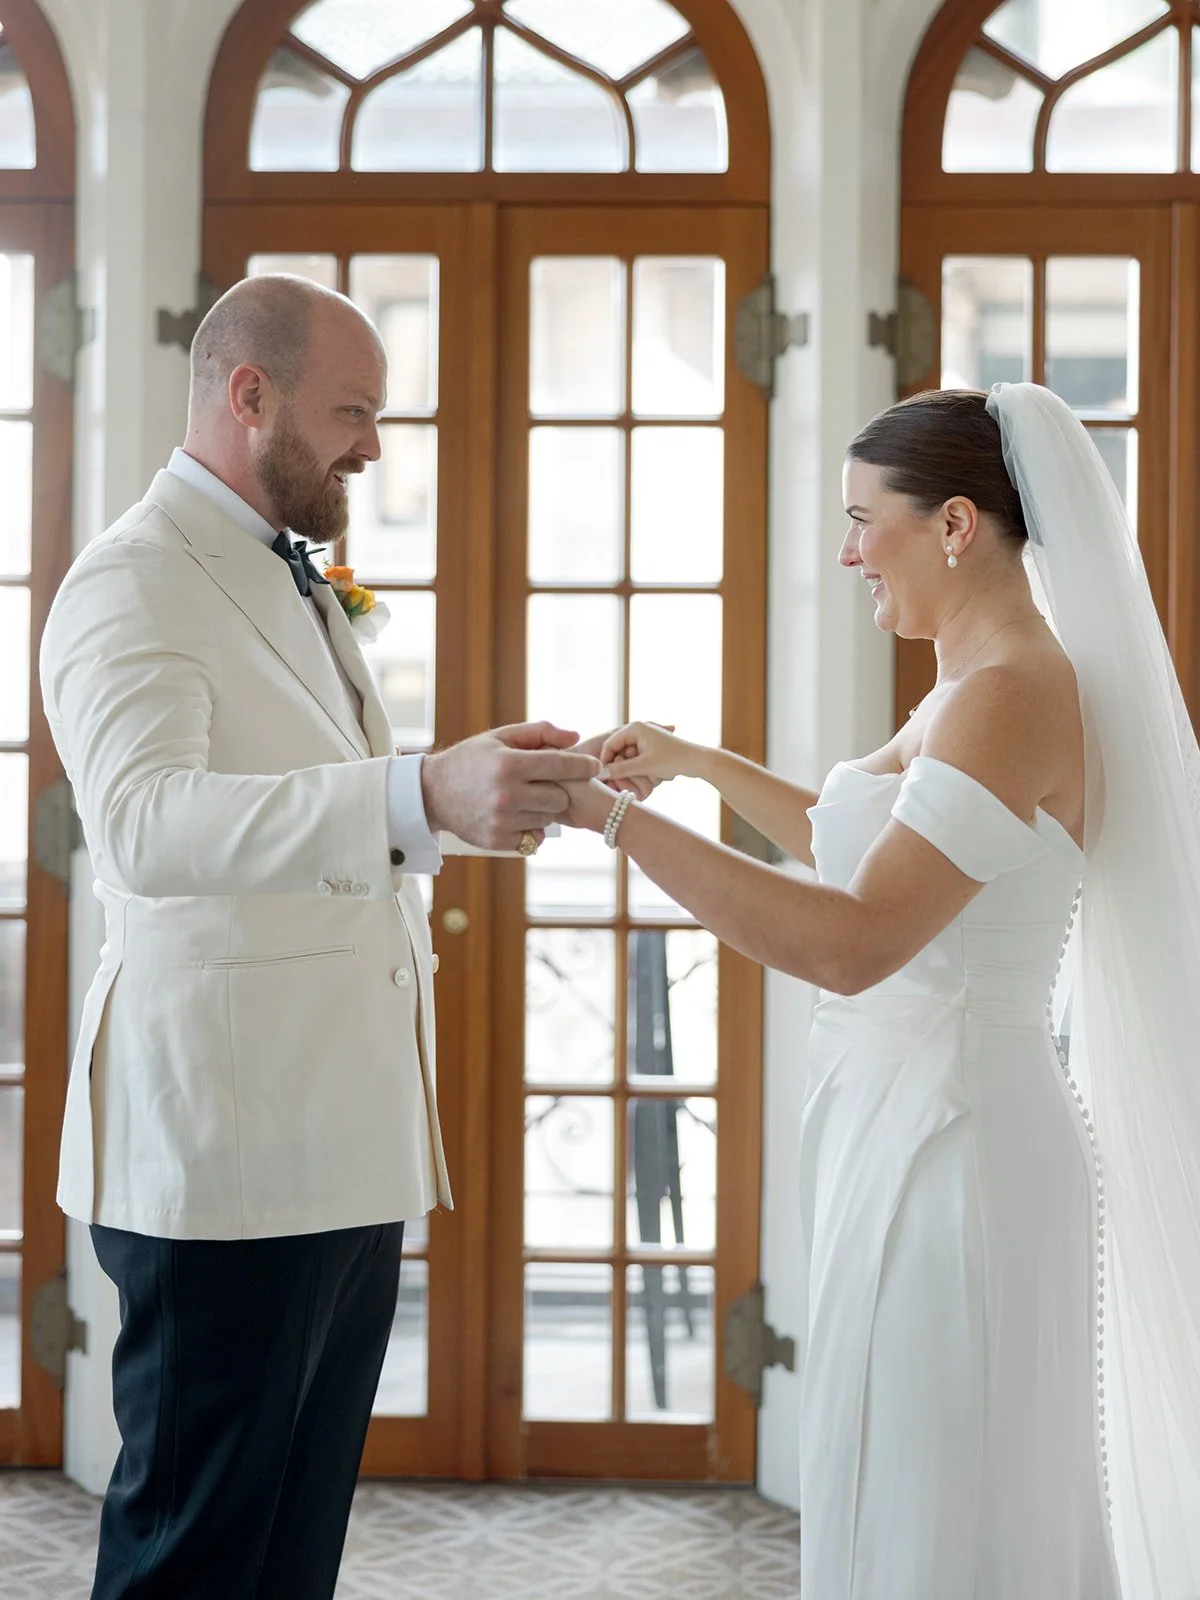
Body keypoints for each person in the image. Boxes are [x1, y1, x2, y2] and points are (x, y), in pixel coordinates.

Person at [563, 385, 1200, 1598]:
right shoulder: (973, 683)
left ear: (955, 524)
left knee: (942, 1502)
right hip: (911, 1127)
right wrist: (692, 765)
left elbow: (856, 940)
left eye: (865, 520)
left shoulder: (1012, 692)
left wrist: (613, 822)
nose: (849, 551)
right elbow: (852, 840)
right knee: (900, 1478)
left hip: (962, 1152)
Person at [39, 273, 600, 1599]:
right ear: (250, 396)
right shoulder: (131, 583)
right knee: (195, 1552)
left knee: (289, 1549)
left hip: (338, 1143)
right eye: (353, 411)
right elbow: (152, 829)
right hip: (224, 1158)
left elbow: (310, 798)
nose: (373, 445)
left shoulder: (288, 572)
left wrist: (466, 799)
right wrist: (415, 792)